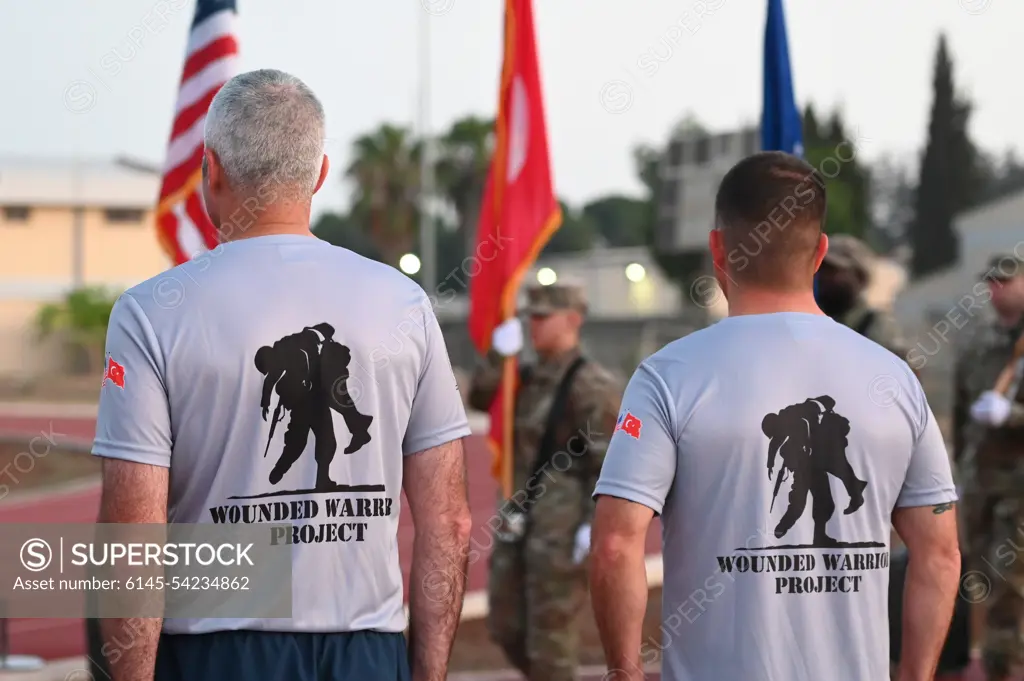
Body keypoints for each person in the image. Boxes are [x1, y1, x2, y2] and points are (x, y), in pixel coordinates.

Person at [91, 69, 472, 681]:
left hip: (218, 651)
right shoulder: (403, 304)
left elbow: (133, 533)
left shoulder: (151, 313)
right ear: (320, 172)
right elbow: (449, 521)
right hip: (366, 650)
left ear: (210, 170)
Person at [588, 151, 961, 681]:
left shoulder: (668, 377)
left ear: (717, 247)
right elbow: (941, 555)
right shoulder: (895, 380)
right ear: (819, 252)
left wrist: (625, 675)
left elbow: (614, 544)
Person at [467, 281, 621, 681]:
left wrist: (592, 525)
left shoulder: (593, 384)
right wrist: (500, 354)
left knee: (551, 641)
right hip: (517, 521)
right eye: (529, 317)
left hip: (559, 529)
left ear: (573, 320)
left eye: (542, 317)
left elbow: (609, 463)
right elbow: (481, 398)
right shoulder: (526, 375)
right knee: (505, 625)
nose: (533, 326)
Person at [954, 253, 1024, 680]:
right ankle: (991, 659)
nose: (997, 289)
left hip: (1019, 486)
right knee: (980, 576)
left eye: (1007, 281)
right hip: (981, 481)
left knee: (1009, 584)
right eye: (992, 282)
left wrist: (1012, 415)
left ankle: (1007, 667)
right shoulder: (980, 343)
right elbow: (962, 411)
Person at [816, 233, 912, 362]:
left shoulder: (878, 328)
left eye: (833, 270)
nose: (823, 277)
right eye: (821, 269)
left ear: (860, 277)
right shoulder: (818, 324)